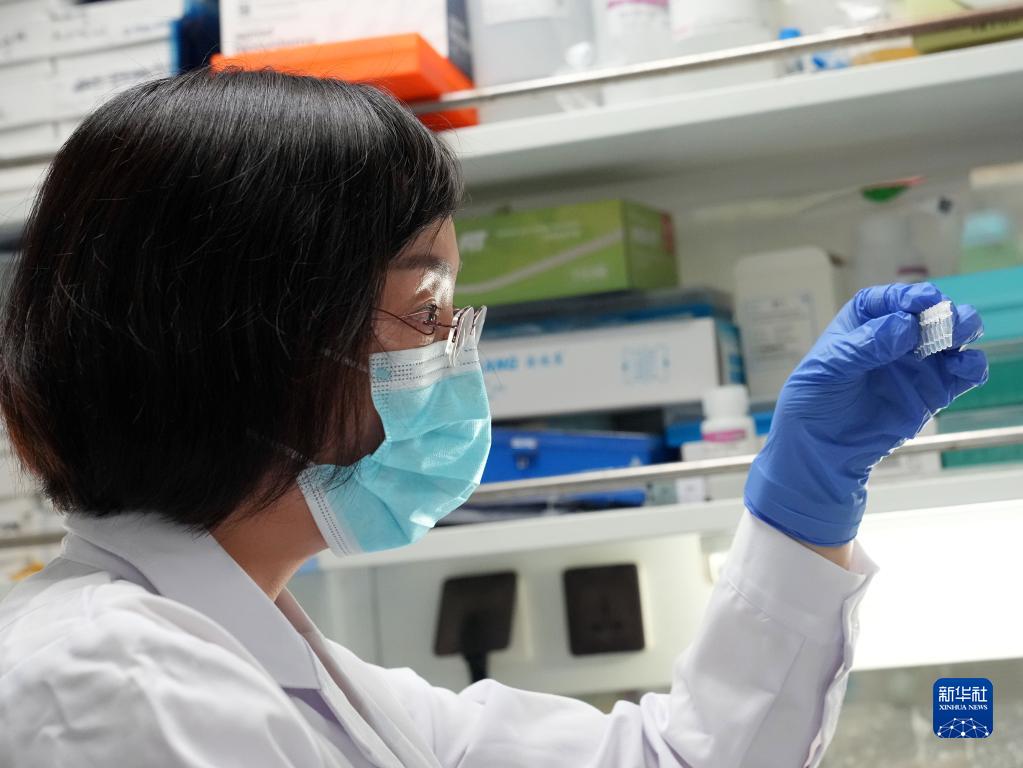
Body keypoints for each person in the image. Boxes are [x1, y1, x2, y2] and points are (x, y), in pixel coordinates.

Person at [0, 69, 987, 768]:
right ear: (255, 338)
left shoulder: (302, 675)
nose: (455, 355)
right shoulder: (111, 687)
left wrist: (803, 499)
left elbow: (677, 760)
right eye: (427, 308)